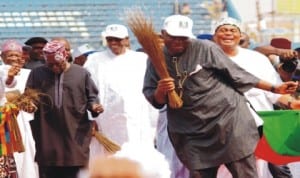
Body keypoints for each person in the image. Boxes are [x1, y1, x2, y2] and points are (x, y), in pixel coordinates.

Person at [142, 14, 298, 178]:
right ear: (163, 34)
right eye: (173, 37)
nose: (178, 42)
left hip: (228, 123)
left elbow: (238, 75)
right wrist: (161, 91)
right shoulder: (156, 58)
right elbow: (155, 100)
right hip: (191, 130)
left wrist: (275, 88)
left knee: (246, 173)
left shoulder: (205, 48)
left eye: (183, 38)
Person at [212, 17, 299, 178]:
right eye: (223, 30)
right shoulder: (205, 60)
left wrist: (293, 104)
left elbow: (275, 93)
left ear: (240, 35)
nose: (228, 34)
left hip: (258, 127)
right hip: (221, 129)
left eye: (233, 30)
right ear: (214, 36)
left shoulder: (256, 59)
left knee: (266, 170)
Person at [24, 40, 103, 178]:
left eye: (57, 64)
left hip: (75, 133)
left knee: (77, 171)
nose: (54, 67)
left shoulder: (81, 73)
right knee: (48, 170)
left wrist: (95, 106)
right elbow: (29, 97)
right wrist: (30, 105)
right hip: (46, 133)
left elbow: (92, 97)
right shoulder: (37, 74)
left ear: (65, 56)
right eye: (50, 64)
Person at [84, 24, 158, 158]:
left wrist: (154, 122)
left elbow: (150, 90)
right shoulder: (94, 60)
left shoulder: (140, 59)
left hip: (137, 118)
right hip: (106, 120)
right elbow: (87, 90)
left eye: (117, 39)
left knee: (138, 157)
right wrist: (90, 117)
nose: (113, 43)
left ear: (126, 40)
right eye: (110, 39)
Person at [1, 39, 39, 178]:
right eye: (10, 55)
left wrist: (30, 103)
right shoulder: (1, 71)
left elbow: (34, 96)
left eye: (17, 55)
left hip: (24, 121)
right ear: (2, 57)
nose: (14, 58)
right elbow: (8, 87)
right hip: (4, 121)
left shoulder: (29, 73)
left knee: (27, 152)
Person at [0, 40, 21, 178]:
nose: (13, 58)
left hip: (3, 119)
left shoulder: (2, 70)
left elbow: (9, 83)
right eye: (10, 55)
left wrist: (10, 77)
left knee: (5, 152)